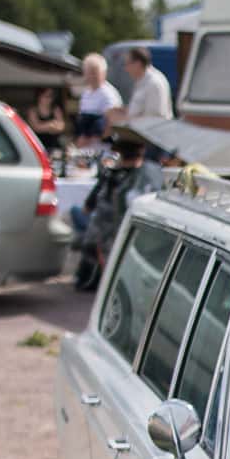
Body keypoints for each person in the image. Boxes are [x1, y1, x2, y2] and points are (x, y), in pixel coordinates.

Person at [72, 127, 163, 291]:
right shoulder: (147, 175)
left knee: (76, 214)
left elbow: (88, 206)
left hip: (107, 231)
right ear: (141, 152)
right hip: (123, 232)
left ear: (119, 152)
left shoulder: (114, 176)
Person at [74, 54, 120, 148]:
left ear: (103, 73)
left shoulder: (109, 94)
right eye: (88, 72)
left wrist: (90, 139)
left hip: (104, 148)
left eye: (94, 72)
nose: (91, 76)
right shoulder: (86, 93)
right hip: (86, 148)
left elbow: (112, 124)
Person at [122, 46, 172, 121]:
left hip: (151, 128)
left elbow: (155, 118)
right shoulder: (142, 80)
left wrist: (124, 120)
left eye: (127, 63)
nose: (125, 68)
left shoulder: (154, 83)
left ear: (138, 64)